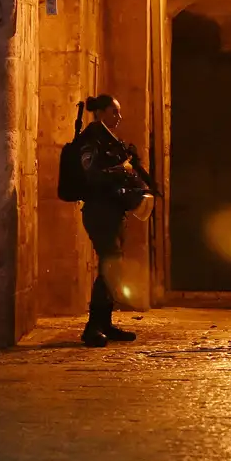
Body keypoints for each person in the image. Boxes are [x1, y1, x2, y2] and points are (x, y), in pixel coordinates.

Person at [73, 94, 157, 348]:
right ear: (99, 112)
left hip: (114, 211)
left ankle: (104, 323)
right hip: (99, 211)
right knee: (110, 266)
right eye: (113, 112)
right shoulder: (91, 139)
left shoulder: (110, 140)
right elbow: (92, 175)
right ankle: (93, 328)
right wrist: (122, 170)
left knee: (114, 266)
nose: (118, 117)